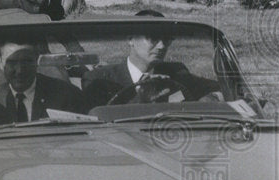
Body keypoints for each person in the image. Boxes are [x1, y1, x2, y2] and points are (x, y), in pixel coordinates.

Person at [82, 10, 220, 107]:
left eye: (167, 39)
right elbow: (96, 122)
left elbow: (220, 88)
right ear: (131, 39)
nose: (162, 46)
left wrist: (207, 99)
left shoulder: (177, 72)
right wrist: (141, 99)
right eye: (153, 38)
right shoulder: (100, 80)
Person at [0, 42, 87, 121]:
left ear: (37, 61)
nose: (20, 70)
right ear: (0, 62)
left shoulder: (67, 96)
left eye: (26, 62)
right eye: (12, 62)